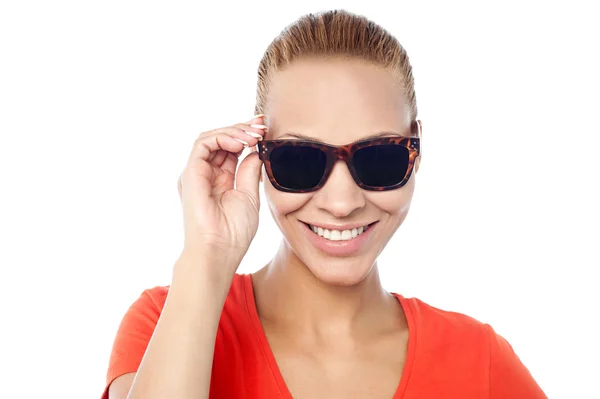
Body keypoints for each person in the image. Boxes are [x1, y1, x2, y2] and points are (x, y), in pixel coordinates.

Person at [101, 10, 547, 399]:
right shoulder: (168, 320)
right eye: (300, 160)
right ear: (257, 156)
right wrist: (207, 255)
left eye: (379, 158)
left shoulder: (479, 360)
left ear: (416, 148)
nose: (341, 203)